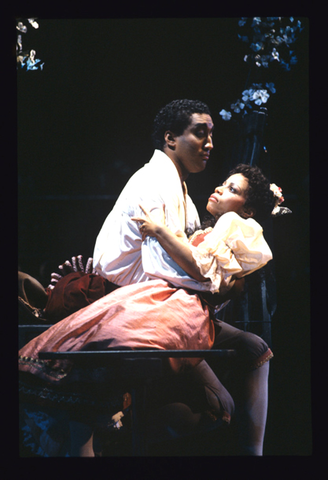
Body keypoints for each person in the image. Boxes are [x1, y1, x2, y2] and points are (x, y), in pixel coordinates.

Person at [19, 163, 286, 456]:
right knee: (110, 356)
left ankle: (113, 430)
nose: (221, 188)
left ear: (248, 209)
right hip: (167, 303)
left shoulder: (232, 225)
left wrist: (160, 231)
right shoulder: (191, 209)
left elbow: (203, 272)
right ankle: (106, 428)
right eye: (224, 183)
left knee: (227, 385)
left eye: (232, 189)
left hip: (179, 308)